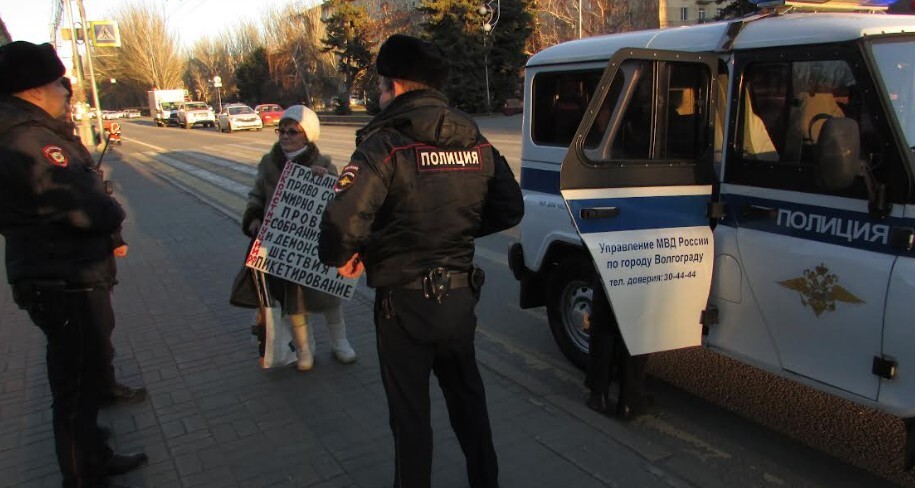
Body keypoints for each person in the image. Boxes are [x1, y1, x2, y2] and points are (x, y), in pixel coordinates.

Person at [318, 34, 524, 488]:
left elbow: (340, 225)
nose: (379, 95)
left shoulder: (385, 142)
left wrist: (354, 253)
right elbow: (510, 208)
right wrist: (455, 231)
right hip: (459, 300)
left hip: (403, 304)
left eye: (380, 86)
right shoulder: (473, 136)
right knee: (469, 403)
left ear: (393, 84)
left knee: (410, 418)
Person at [0, 41, 147, 488]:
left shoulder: (28, 132)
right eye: (59, 83)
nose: (66, 91)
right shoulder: (30, 141)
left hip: (63, 272)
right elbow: (83, 207)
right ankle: (83, 475)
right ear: (34, 89)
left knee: (83, 379)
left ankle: (94, 455)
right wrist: (112, 212)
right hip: (63, 279)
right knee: (74, 388)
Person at [241, 105, 356, 371]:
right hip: (282, 244)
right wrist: (254, 218)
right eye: (281, 130)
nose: (285, 135)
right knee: (294, 301)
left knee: (328, 296)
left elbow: (339, 196)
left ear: (307, 135)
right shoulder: (269, 163)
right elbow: (256, 195)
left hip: (314, 244)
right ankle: (305, 349)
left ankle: (340, 343)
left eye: (292, 131)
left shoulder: (323, 163)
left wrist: (326, 178)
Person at [58, 76, 148, 408]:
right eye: (63, 97)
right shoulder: (41, 144)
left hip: (85, 256)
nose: (68, 105)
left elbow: (92, 195)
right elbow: (84, 202)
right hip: (70, 262)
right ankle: (89, 404)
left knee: (98, 329)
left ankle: (100, 389)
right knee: (85, 336)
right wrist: (111, 223)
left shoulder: (60, 139)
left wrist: (113, 236)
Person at [584, 274, 652, 421]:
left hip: (609, 268)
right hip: (640, 274)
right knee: (635, 327)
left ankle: (598, 395)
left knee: (604, 324)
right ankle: (629, 401)